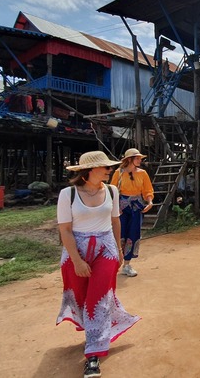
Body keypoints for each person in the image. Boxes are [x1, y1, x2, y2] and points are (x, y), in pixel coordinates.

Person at [56, 151, 140, 378]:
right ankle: (94, 331)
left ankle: (92, 354)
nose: (109, 170)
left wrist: (119, 250)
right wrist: (77, 260)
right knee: (82, 298)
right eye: (105, 167)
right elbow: (65, 230)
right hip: (77, 251)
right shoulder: (68, 194)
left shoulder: (112, 191)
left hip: (106, 249)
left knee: (98, 300)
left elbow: (115, 222)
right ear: (89, 171)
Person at [110, 148, 154, 278]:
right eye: (137, 158)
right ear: (129, 159)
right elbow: (112, 191)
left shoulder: (143, 173)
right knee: (119, 234)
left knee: (134, 234)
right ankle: (114, 264)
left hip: (137, 207)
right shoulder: (118, 173)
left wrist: (150, 202)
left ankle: (127, 265)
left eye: (140, 158)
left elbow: (148, 190)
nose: (140, 160)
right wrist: (115, 207)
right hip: (122, 208)